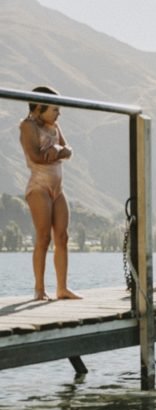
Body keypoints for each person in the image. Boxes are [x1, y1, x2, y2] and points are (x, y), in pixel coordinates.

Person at [19, 86, 81, 301]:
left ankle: (62, 288)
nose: (58, 113)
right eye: (54, 109)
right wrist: (55, 151)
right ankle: (39, 289)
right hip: (39, 187)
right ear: (38, 107)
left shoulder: (54, 125)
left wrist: (58, 150)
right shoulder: (27, 126)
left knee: (62, 237)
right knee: (44, 237)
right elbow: (35, 156)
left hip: (58, 189)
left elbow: (68, 149)